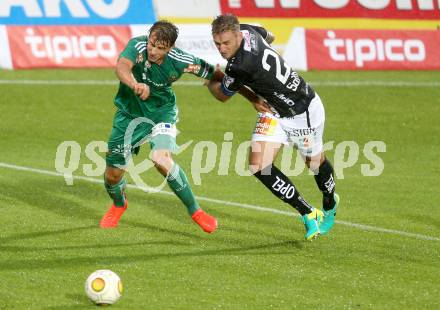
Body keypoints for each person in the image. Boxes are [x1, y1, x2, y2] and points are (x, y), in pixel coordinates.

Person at [207, 14, 339, 240]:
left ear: (238, 35)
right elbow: (271, 36)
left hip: (303, 111)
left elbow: (221, 94)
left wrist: (210, 76)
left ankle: (330, 201)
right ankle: (307, 213)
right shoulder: (249, 30)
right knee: (259, 165)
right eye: (217, 43)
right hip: (274, 110)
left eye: (226, 43)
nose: (222, 48)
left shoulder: (240, 65)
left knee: (315, 164)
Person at [100, 20, 220, 233]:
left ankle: (196, 211)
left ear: (170, 48)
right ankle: (119, 204)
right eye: (152, 44)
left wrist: (248, 95)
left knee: (161, 159)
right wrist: (134, 84)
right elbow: (122, 66)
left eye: (160, 48)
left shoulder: (181, 60)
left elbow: (214, 73)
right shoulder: (137, 47)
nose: (153, 51)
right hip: (128, 115)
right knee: (112, 175)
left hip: (161, 114)